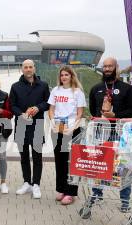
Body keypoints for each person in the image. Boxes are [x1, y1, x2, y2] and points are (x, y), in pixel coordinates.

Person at [89, 57, 132, 212]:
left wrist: (115, 114)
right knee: (99, 166)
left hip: (121, 135)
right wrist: (103, 116)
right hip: (101, 134)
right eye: (105, 66)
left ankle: (125, 200)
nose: (107, 69)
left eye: (110, 66)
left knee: (124, 167)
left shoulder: (127, 88)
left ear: (116, 67)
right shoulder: (96, 88)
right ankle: (97, 194)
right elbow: (92, 109)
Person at [9, 59, 50, 199]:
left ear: (34, 68)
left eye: (30, 67)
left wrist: (38, 107)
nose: (28, 69)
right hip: (21, 124)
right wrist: (21, 114)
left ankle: (36, 184)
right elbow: (12, 105)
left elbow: (48, 103)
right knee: (24, 157)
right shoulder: (15, 86)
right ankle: (27, 182)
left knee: (37, 157)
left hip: (37, 124)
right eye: (25, 67)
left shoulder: (43, 85)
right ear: (22, 69)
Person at [48, 66, 86, 205]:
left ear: (71, 76)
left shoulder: (77, 92)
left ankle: (71, 192)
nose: (64, 77)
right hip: (58, 127)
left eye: (66, 75)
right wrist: (53, 122)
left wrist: (72, 127)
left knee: (72, 161)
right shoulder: (55, 90)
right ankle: (62, 189)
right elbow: (51, 109)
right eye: (62, 75)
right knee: (60, 160)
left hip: (73, 129)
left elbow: (80, 113)